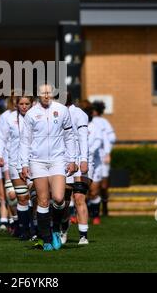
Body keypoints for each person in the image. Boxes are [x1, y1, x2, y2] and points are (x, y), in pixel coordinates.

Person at [20, 84, 77, 251]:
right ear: (38, 95)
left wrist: (72, 159)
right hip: (37, 162)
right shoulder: (31, 114)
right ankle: (46, 239)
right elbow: (25, 141)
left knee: (59, 198)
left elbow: (69, 136)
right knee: (43, 201)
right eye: (43, 93)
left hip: (58, 160)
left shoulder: (62, 110)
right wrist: (23, 164)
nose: (46, 95)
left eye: (49, 93)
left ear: (53, 94)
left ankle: (57, 228)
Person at [0, 93, 34, 240]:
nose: (24, 107)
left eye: (27, 104)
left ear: (31, 104)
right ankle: (23, 229)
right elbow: (1, 138)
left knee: (34, 197)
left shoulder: (37, 116)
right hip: (14, 162)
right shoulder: (8, 117)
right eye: (21, 104)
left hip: (33, 162)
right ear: (16, 104)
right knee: (21, 198)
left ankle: (34, 228)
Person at [62, 92, 90, 245]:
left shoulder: (78, 114)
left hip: (79, 161)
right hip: (62, 162)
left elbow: (83, 138)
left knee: (79, 197)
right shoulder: (55, 113)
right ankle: (63, 231)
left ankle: (83, 235)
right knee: (63, 201)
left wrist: (84, 159)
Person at [92, 101, 116, 217]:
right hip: (93, 156)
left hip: (102, 156)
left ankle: (105, 207)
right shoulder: (90, 121)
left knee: (104, 185)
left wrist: (107, 153)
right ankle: (93, 209)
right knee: (92, 184)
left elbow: (111, 138)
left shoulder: (104, 123)